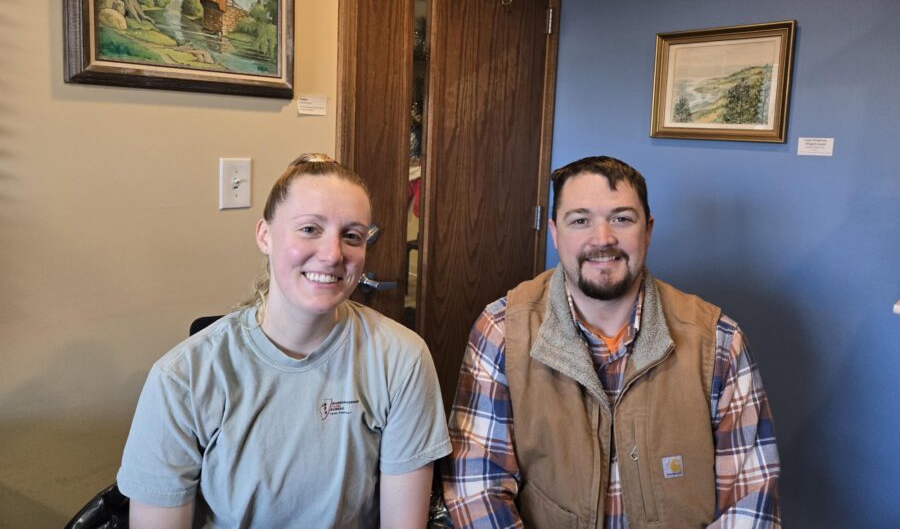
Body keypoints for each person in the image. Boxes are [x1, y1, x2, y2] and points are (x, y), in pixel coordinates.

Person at [443, 155, 780, 528]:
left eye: (622, 219)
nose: (602, 239)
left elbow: (751, 501)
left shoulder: (718, 340)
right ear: (555, 233)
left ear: (647, 230)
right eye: (580, 220)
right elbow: (477, 487)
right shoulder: (503, 330)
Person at [118, 154, 451, 528]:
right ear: (265, 235)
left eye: (352, 236)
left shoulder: (402, 359)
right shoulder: (181, 378)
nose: (333, 254)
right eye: (309, 229)